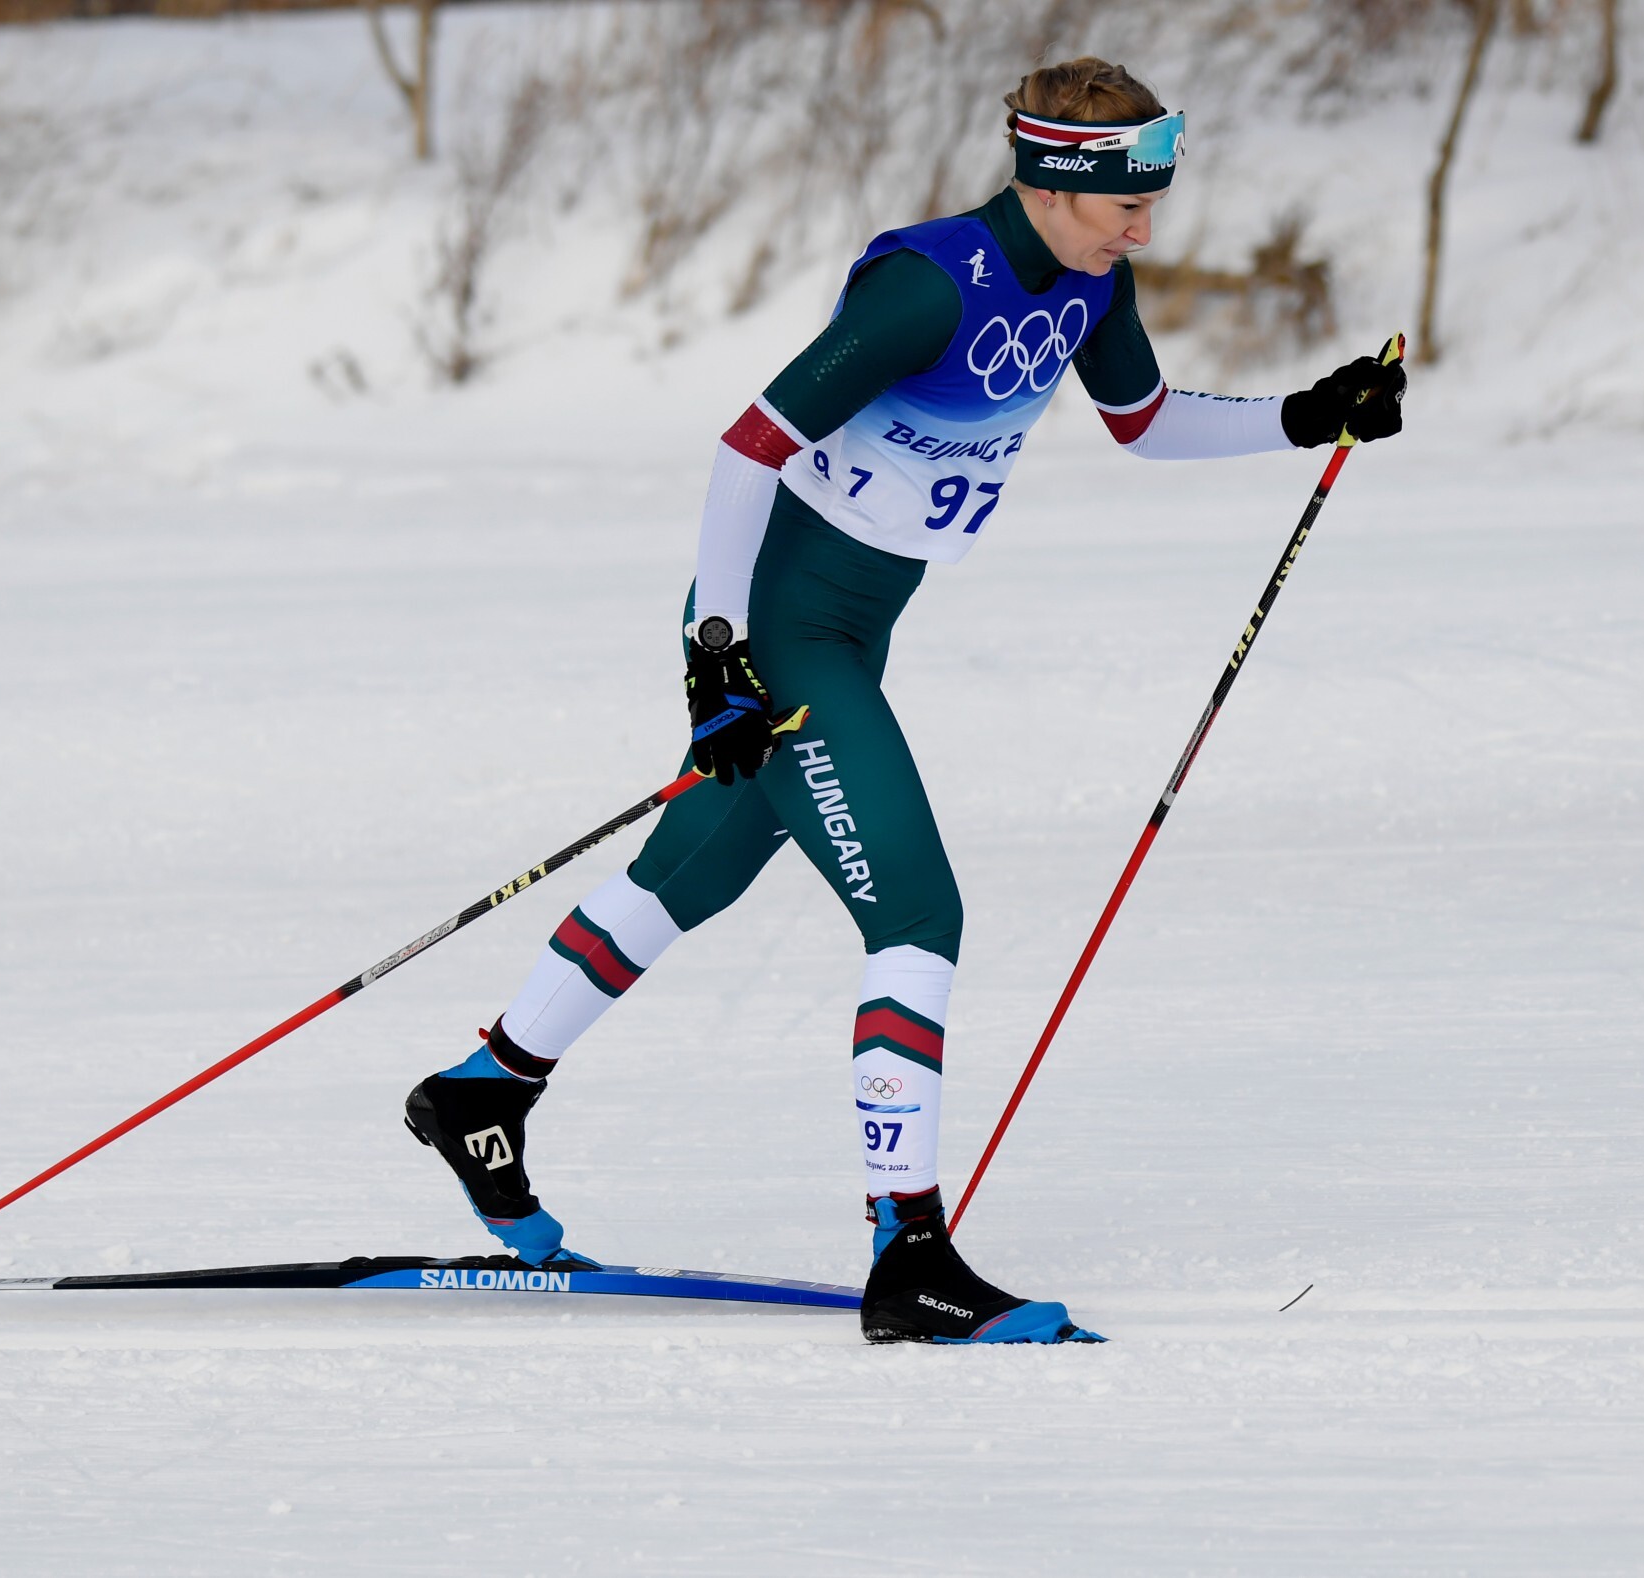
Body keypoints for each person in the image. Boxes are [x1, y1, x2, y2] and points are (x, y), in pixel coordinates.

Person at [402, 57, 1405, 1344]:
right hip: (782, 633)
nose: (1146, 230)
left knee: (689, 876)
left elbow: (1145, 422)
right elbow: (748, 448)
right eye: (1126, 205)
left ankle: (485, 1089)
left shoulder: (1092, 283)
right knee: (918, 912)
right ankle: (908, 1252)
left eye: (1154, 200)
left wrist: (1308, 415)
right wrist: (717, 657)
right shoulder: (929, 287)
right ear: (1054, 184)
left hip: (855, 629)